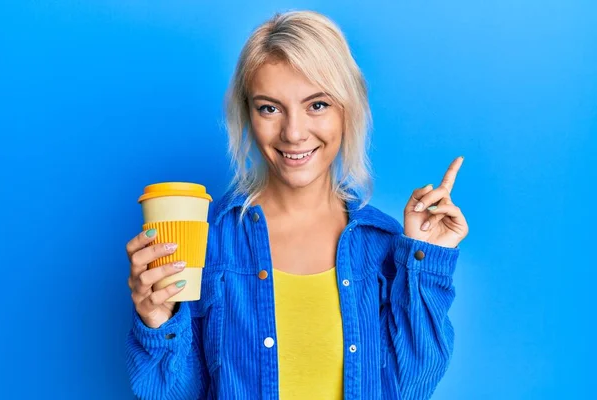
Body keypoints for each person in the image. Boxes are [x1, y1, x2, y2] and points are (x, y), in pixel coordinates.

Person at [125, 10, 469, 400]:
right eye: (269, 108)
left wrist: (428, 257)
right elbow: (174, 395)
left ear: (347, 108)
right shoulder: (209, 239)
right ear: (248, 114)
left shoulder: (384, 243)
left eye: (317, 105)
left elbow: (411, 386)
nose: (293, 132)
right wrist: (157, 321)